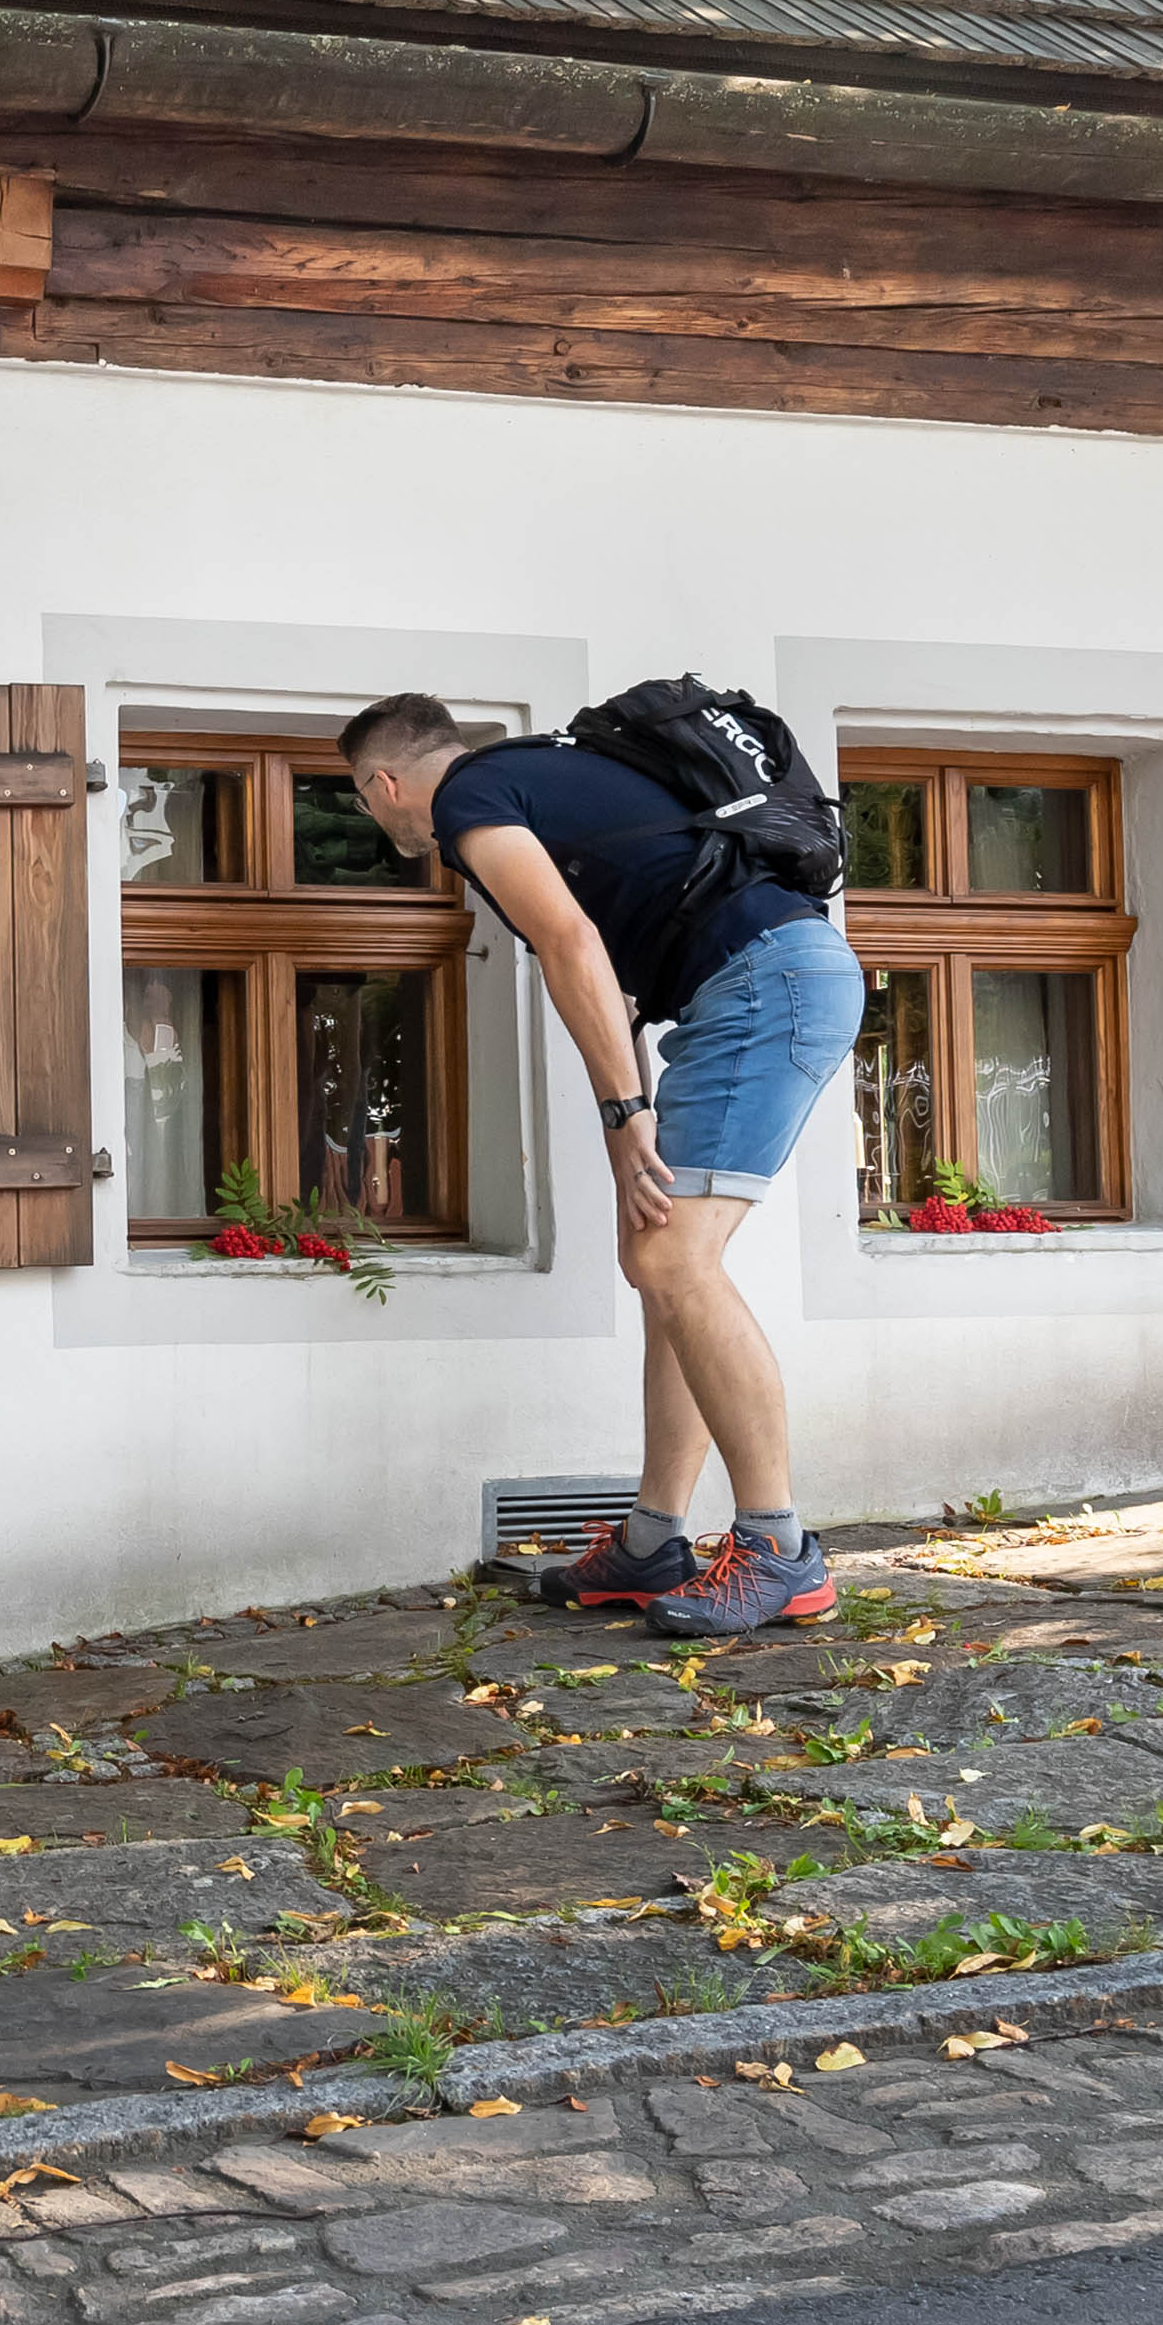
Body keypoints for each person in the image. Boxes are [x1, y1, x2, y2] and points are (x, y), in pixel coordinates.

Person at [338, 693, 862, 1635]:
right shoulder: (534, 774)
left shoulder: (469, 802)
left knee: (671, 1260)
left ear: (383, 784)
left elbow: (567, 944)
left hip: (766, 979)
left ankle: (780, 1550)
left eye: (362, 801)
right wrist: (624, 1104)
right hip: (758, 977)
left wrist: (626, 1115)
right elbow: (608, 970)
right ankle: (653, 1540)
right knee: (664, 1258)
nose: (375, 819)